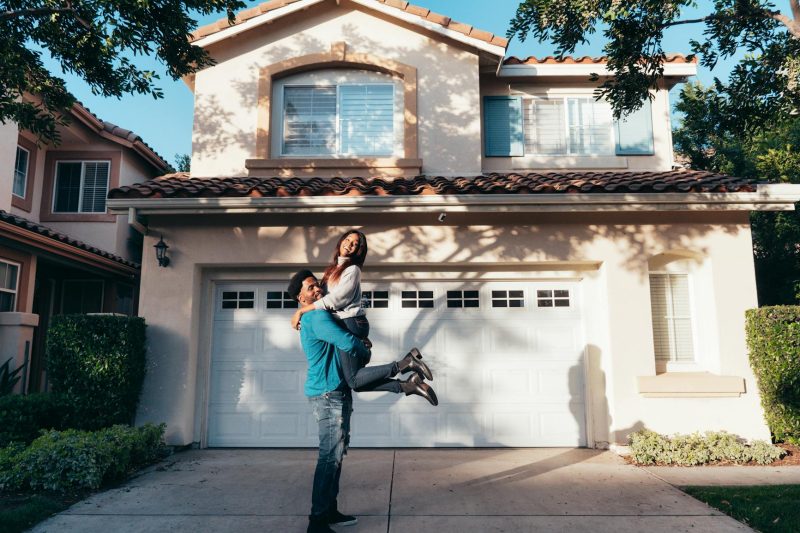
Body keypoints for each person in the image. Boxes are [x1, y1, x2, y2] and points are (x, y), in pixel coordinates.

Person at [287, 270, 437, 533]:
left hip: (335, 391)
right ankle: (317, 522)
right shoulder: (317, 316)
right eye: (310, 288)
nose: (317, 290)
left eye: (317, 286)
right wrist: (362, 348)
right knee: (329, 458)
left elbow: (348, 354)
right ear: (300, 297)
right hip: (327, 394)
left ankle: (329, 511)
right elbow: (347, 342)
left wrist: (358, 344)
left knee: (336, 456)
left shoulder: (322, 315)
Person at [291, 230, 437, 404]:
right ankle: (408, 386)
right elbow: (324, 299)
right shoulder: (333, 270)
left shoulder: (352, 270)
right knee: (357, 382)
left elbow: (338, 299)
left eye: (355, 244)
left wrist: (302, 311)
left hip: (351, 321)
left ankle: (405, 363)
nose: (349, 244)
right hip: (346, 323)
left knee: (353, 379)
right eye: (347, 239)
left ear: (359, 251)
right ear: (340, 241)